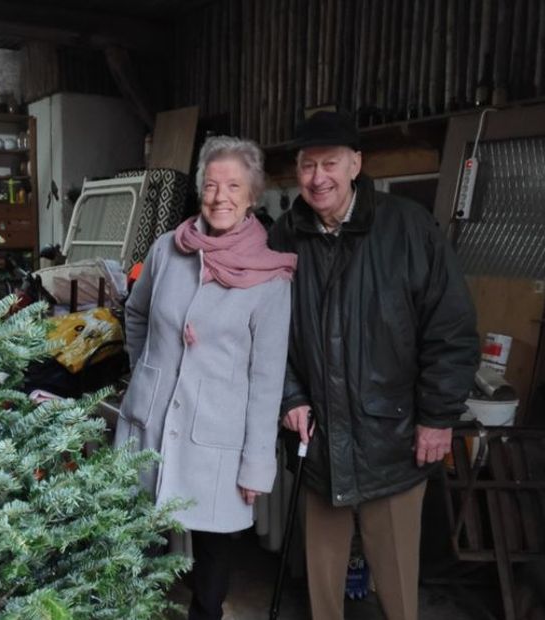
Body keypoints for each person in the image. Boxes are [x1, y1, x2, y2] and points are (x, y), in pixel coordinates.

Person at [269, 111, 478, 620]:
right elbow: (265, 335)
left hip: (395, 436)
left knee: (398, 584)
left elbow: (450, 329)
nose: (319, 177)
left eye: (331, 163)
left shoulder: (407, 227)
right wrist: (290, 395)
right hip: (319, 442)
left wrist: (438, 416)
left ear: (356, 164)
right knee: (322, 585)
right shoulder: (283, 237)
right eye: (308, 165)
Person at [115, 136, 296, 620]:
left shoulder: (271, 279)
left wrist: (258, 464)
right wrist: (148, 370)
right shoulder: (166, 250)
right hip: (151, 423)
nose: (220, 196)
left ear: (253, 195)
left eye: (234, 185)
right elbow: (136, 314)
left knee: (213, 550)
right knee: (138, 536)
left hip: (216, 431)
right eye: (212, 185)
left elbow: (266, 380)